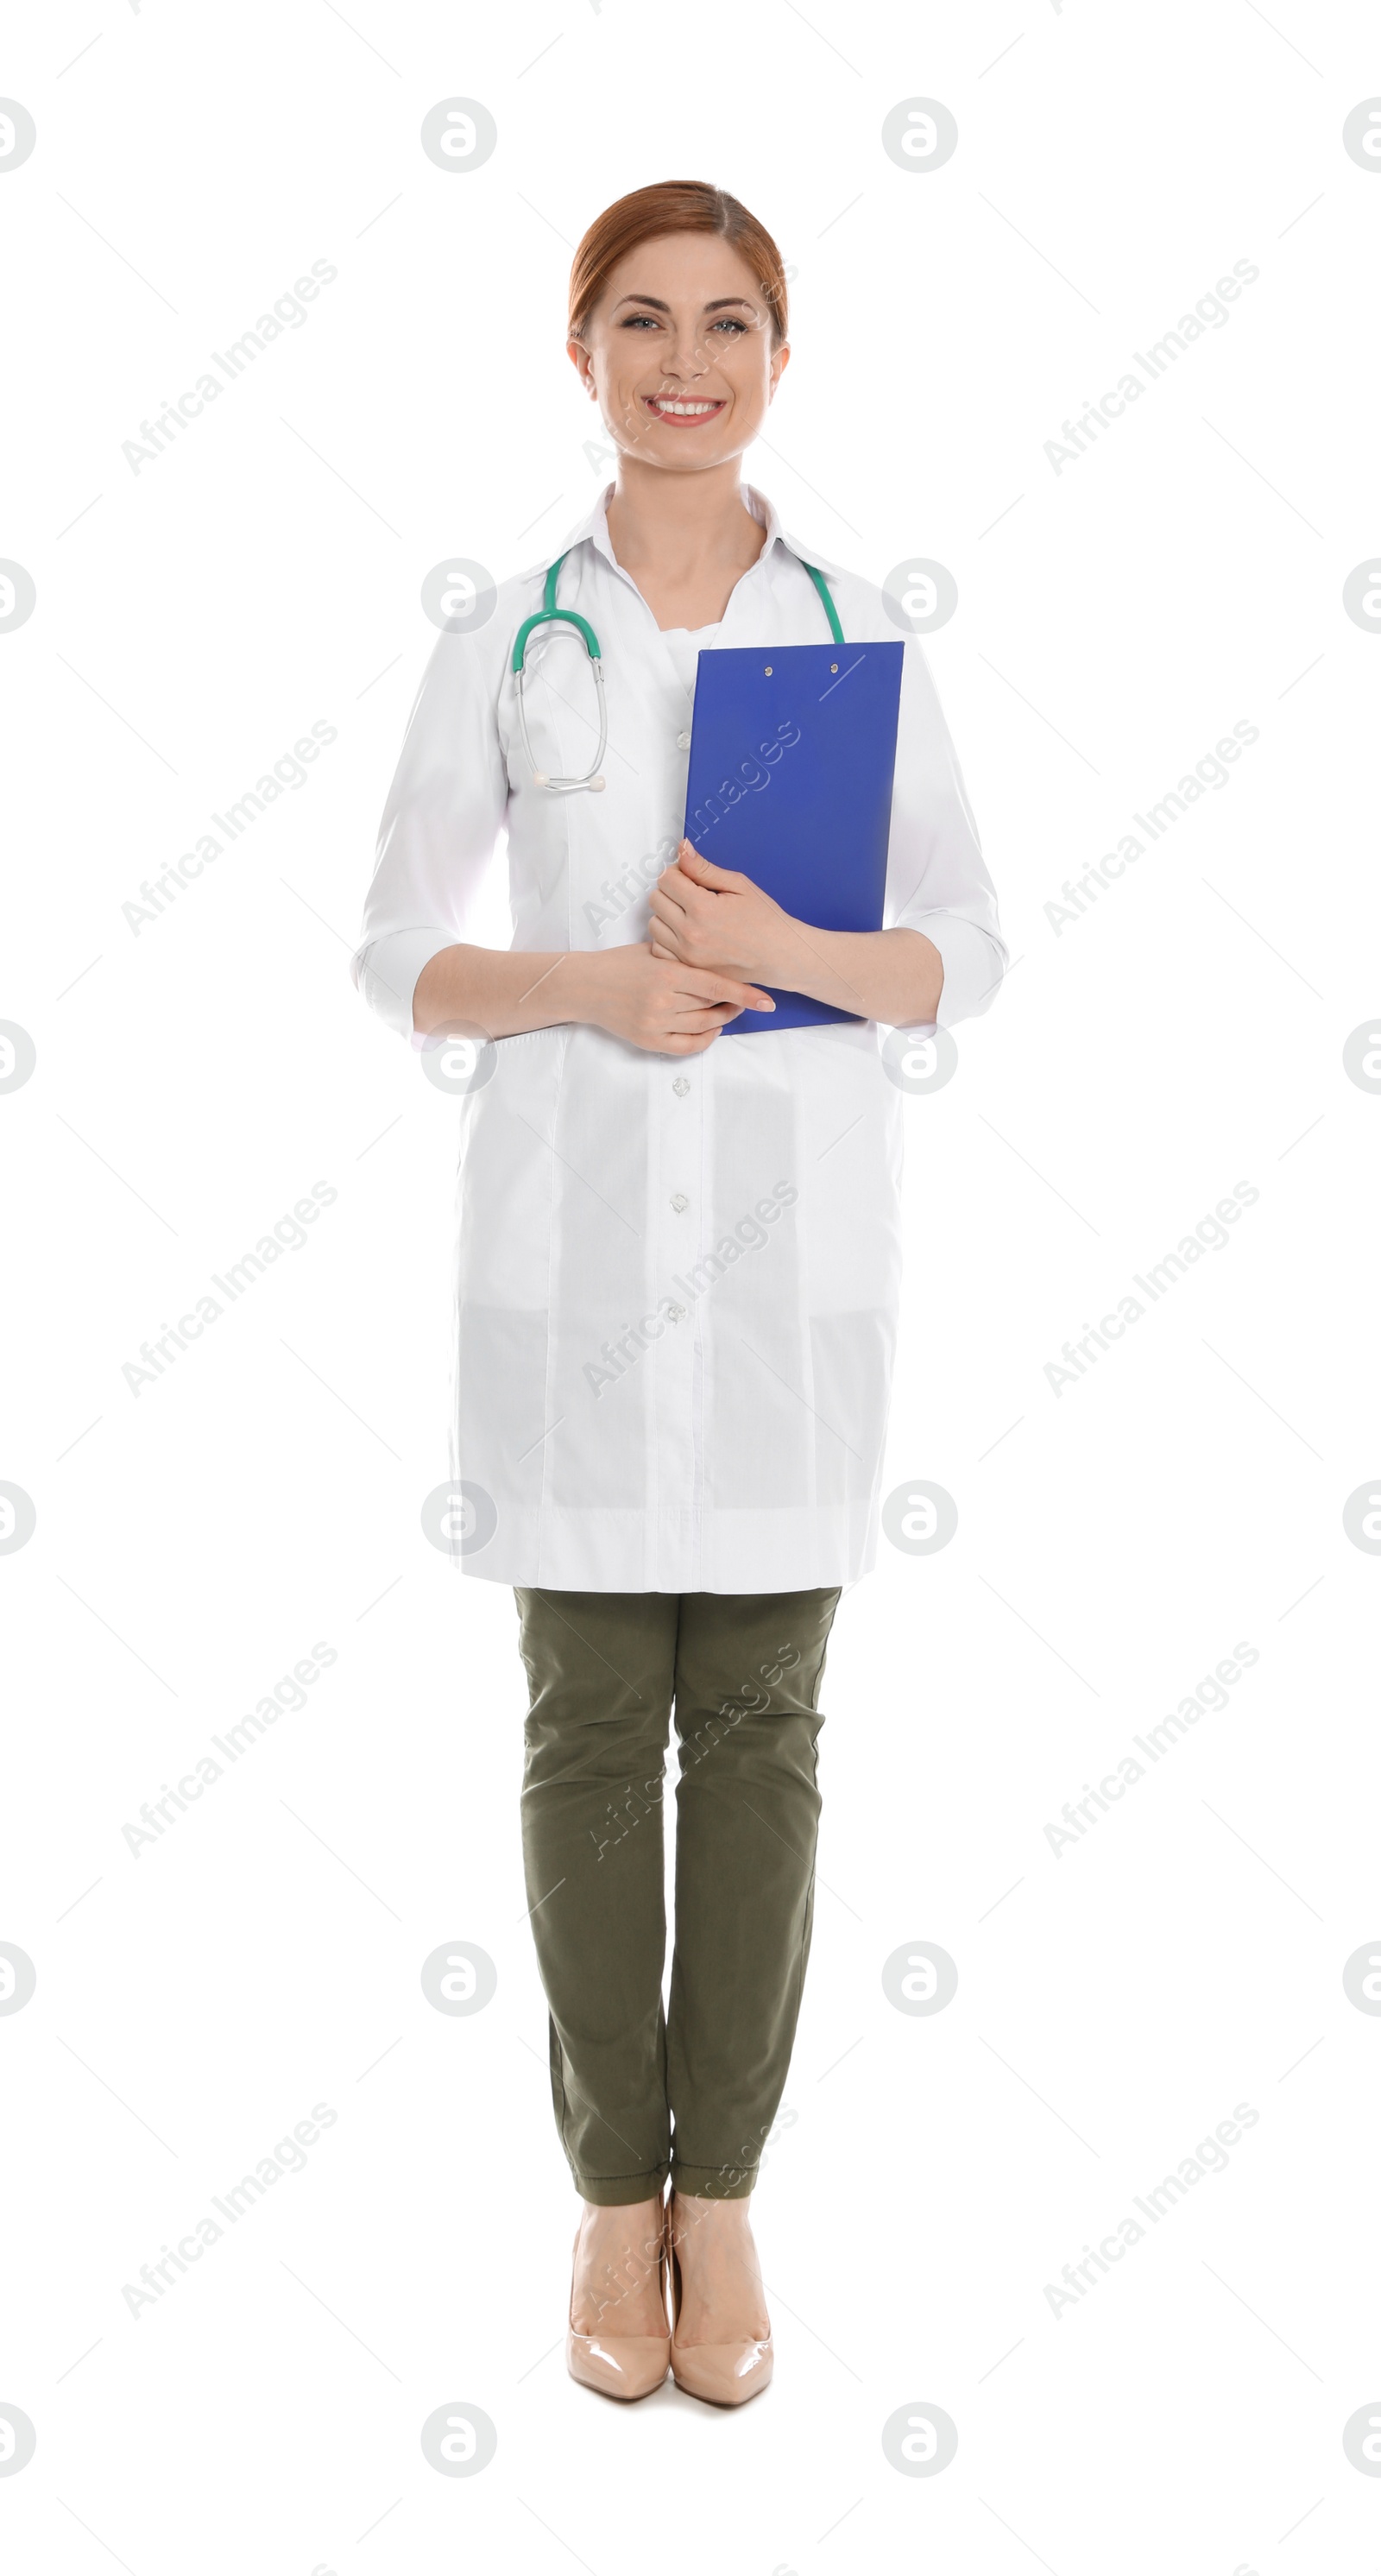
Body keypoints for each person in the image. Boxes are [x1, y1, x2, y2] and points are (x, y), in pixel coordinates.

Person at [350, 180, 1006, 2406]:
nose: (684, 360)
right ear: (583, 352)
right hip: (563, 1262)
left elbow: (960, 954)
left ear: (779, 359)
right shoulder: (508, 635)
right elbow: (394, 952)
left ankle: (715, 2202)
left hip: (790, 1278)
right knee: (582, 1724)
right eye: (642, 320)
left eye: (728, 323)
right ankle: (598, 2195)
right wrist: (597, 983)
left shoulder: (844, 634)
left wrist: (776, 959)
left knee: (763, 1733)